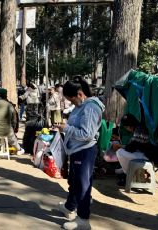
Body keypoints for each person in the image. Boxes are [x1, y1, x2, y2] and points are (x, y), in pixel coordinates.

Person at [54, 78, 105, 230]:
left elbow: (87, 134)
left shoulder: (90, 108)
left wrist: (66, 129)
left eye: (71, 99)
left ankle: (83, 219)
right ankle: (70, 207)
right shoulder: (81, 105)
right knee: (75, 182)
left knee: (83, 185)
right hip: (76, 150)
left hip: (85, 151)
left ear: (80, 94)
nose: (71, 103)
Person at [115, 114, 158, 186]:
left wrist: (119, 146)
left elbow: (131, 148)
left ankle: (128, 175)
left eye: (126, 127)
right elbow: (133, 146)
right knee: (123, 153)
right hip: (146, 153)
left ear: (129, 126)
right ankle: (127, 172)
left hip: (148, 156)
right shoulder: (139, 127)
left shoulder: (139, 130)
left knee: (120, 152)